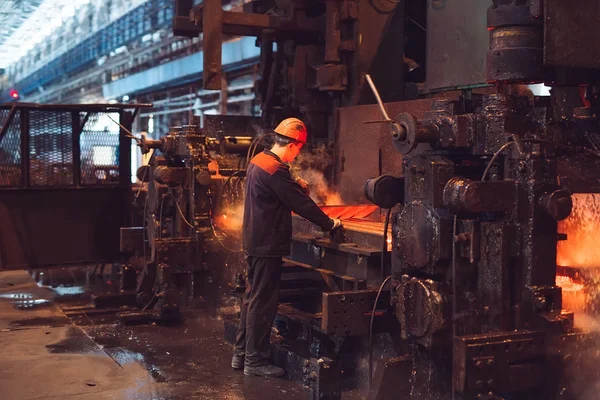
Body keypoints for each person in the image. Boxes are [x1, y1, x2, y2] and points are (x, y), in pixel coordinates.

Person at [232, 117, 342, 377]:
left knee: (251, 299)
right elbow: (300, 204)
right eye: (299, 149)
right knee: (263, 302)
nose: (298, 153)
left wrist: (295, 184)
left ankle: (241, 354)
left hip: (254, 241)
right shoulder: (275, 170)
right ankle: (256, 362)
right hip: (267, 244)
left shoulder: (260, 160)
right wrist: (329, 223)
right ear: (293, 145)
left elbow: (283, 188)